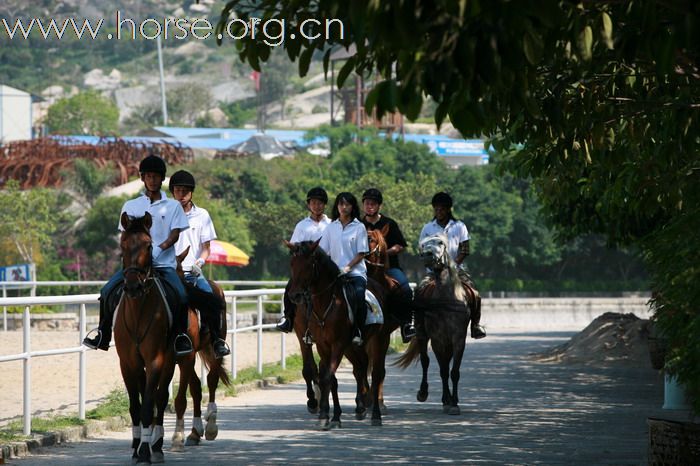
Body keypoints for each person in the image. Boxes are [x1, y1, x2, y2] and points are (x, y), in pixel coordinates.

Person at [83, 154, 194, 356]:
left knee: (182, 295)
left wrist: (158, 249)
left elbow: (175, 233)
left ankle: (180, 337)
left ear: (162, 179)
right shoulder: (131, 206)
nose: (152, 180)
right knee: (107, 291)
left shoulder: (173, 206)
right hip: (135, 266)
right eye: (148, 176)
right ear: (143, 178)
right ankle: (103, 334)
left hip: (163, 265)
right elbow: (125, 236)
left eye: (156, 176)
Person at [169, 170, 231, 359]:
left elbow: (206, 247)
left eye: (185, 191)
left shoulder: (202, 215)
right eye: (178, 190)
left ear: (191, 192)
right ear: (173, 192)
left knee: (213, 298)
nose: (181, 194)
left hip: (192, 271)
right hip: (170, 271)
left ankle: (217, 340)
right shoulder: (165, 213)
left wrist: (200, 262)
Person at [419, 191, 486, 339]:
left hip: (457, 269)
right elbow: (422, 249)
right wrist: (431, 264)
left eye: (441, 209)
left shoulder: (459, 226)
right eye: (436, 209)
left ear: (448, 209)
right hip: (434, 271)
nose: (439, 212)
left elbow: (465, 249)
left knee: (475, 294)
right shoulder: (428, 228)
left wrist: (454, 265)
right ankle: (417, 326)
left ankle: (475, 325)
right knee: (420, 291)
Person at [361, 188, 416, 342]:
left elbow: (400, 246)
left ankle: (406, 325)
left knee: (404, 288)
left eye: (373, 204)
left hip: (389, 268)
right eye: (367, 203)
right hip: (364, 268)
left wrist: (383, 253)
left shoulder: (389, 223)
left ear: (379, 206)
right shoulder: (358, 224)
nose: (369, 206)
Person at [276, 187, 331, 332]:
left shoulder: (332, 224)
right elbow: (295, 247)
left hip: (326, 267)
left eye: (319, 203)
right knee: (290, 287)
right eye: (313, 203)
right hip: (307, 266)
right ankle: (288, 318)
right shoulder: (302, 225)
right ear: (309, 205)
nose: (316, 206)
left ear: (324, 205)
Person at [319, 192, 369, 345]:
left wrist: (347, 268)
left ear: (352, 207)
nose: (344, 207)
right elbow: (322, 251)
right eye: (341, 204)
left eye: (347, 204)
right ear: (337, 206)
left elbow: (361, 253)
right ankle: (312, 330)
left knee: (359, 296)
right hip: (334, 275)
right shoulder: (330, 227)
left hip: (355, 273)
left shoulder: (359, 227)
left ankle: (358, 331)